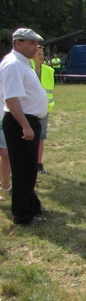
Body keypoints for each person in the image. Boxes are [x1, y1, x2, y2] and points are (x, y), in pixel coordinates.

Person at [0, 28, 49, 225]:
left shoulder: (23, 63)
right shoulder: (12, 65)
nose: (35, 47)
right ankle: (23, 215)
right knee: (22, 171)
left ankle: (32, 206)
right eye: (31, 43)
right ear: (17, 43)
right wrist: (25, 126)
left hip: (29, 121)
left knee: (29, 170)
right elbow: (12, 98)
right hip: (20, 122)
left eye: (36, 43)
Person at [31, 45, 55, 175]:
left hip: (44, 109)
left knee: (41, 137)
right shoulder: (26, 69)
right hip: (29, 110)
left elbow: (51, 89)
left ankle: (39, 164)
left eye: (42, 54)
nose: (41, 56)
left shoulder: (49, 71)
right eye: (38, 54)